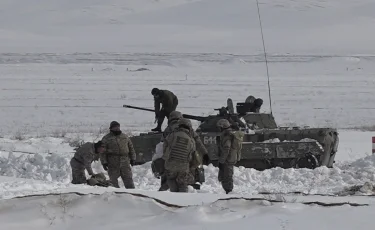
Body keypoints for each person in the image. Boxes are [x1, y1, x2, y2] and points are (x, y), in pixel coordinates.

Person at [162, 118, 196, 192]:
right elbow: (192, 152)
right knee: (182, 184)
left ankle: (174, 195)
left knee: (171, 180)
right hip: (183, 166)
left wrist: (166, 158)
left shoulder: (172, 135)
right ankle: (182, 201)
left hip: (171, 164)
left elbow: (165, 146)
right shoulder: (191, 139)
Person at [100, 121, 136, 188]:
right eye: (115, 127)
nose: (117, 128)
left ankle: (131, 195)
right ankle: (116, 196)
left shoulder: (125, 137)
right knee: (113, 182)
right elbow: (102, 152)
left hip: (125, 162)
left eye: (118, 127)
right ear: (111, 128)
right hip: (113, 163)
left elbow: (131, 148)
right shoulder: (106, 138)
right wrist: (104, 162)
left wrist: (133, 158)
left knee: (129, 180)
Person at [216, 119, 244, 194]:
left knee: (227, 176)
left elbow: (227, 148)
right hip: (230, 158)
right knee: (227, 175)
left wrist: (222, 160)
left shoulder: (227, 135)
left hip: (228, 159)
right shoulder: (228, 134)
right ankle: (228, 190)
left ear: (222, 127)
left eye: (219, 127)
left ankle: (229, 191)